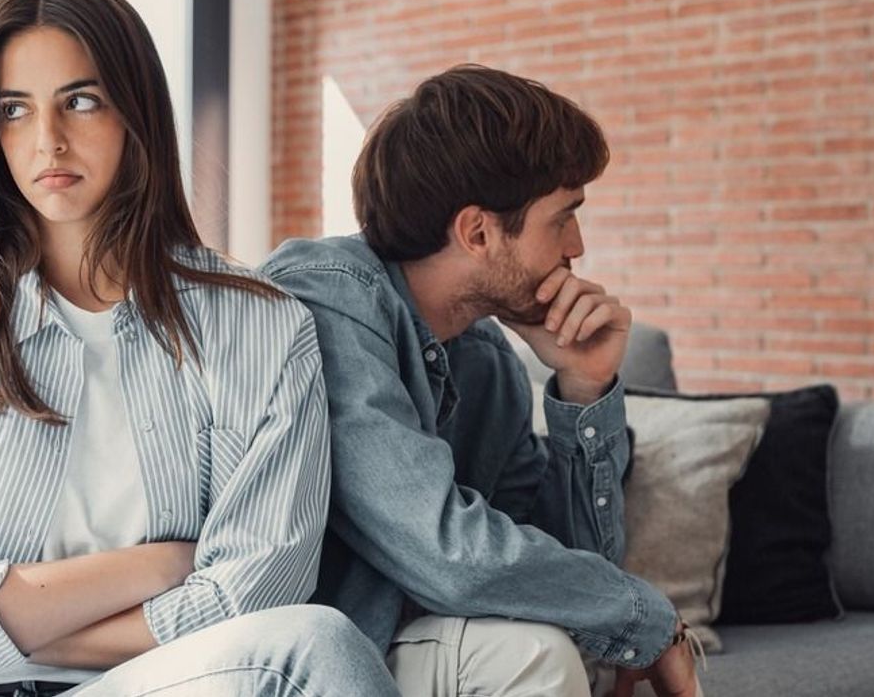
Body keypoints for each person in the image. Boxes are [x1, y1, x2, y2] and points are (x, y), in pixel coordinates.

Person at [0, 0, 398, 697]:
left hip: (165, 685)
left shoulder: (263, 329)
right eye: (14, 110)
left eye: (80, 101)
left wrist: (0, 602)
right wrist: (161, 564)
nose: (47, 139)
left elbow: (253, 599)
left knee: (315, 643)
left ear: (136, 112)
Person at [261, 65, 701, 697]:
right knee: (533, 654)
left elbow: (565, 574)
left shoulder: (484, 356)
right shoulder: (328, 301)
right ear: (477, 232)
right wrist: (646, 617)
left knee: (554, 643)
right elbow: (450, 553)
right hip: (294, 657)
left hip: (397, 639)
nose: (577, 245)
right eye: (563, 217)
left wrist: (584, 386)